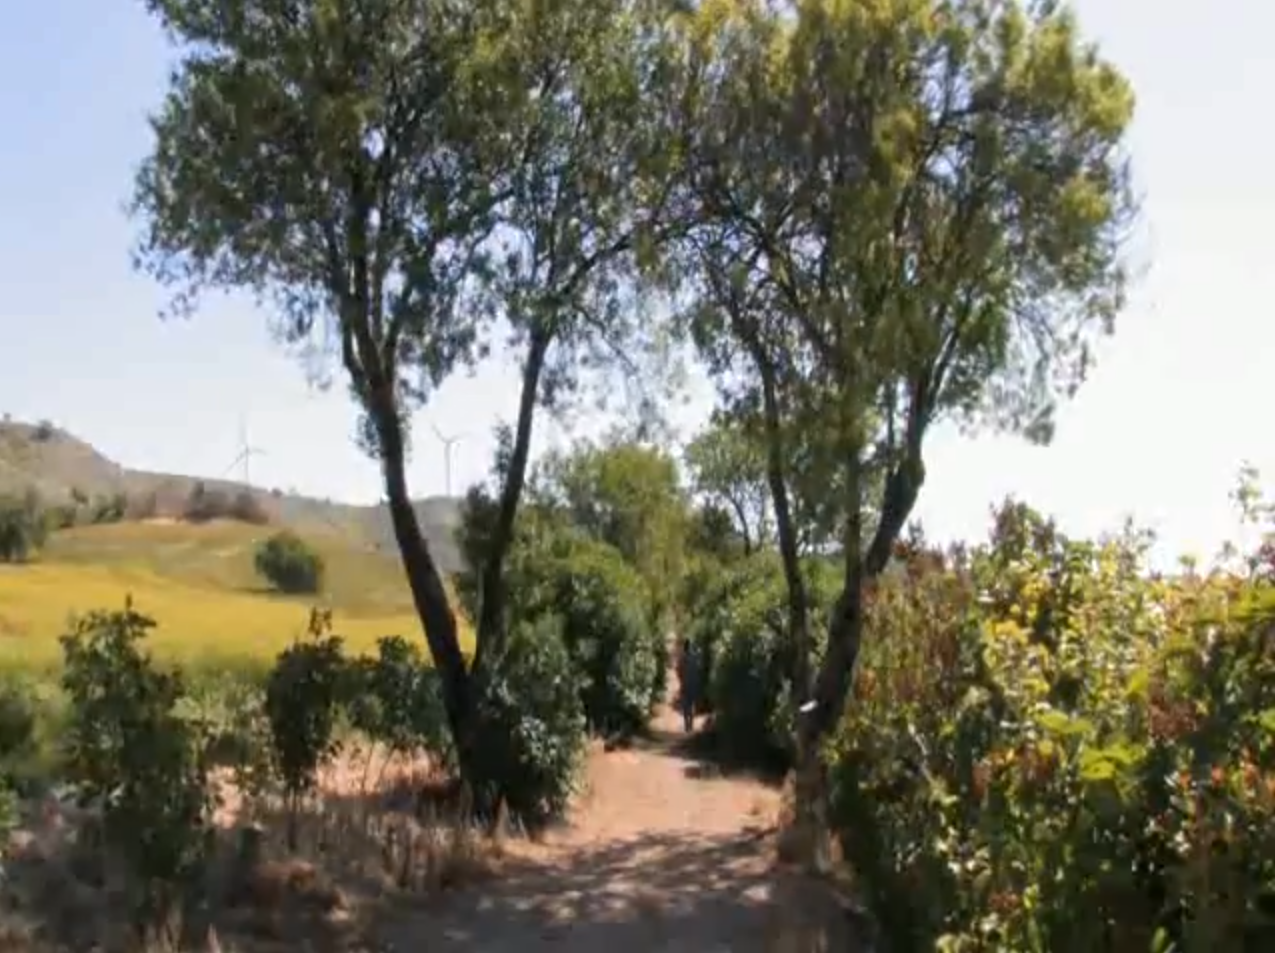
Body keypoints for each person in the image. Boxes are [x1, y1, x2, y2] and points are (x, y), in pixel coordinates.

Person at [676, 636, 701, 733]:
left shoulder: (682, 657)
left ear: (684, 647)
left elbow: (678, 670)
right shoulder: (695, 657)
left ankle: (687, 724)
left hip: (685, 684)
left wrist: (681, 679)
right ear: (690, 646)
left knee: (686, 705)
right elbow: (698, 670)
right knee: (691, 705)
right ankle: (690, 724)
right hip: (693, 684)